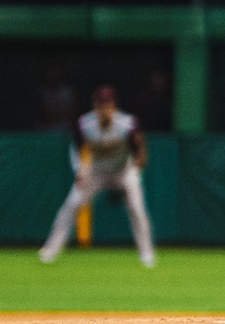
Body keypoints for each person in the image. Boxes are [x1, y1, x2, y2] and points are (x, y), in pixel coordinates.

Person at [39, 86, 156, 267]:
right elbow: (75, 148)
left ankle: (147, 253)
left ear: (114, 105)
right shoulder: (85, 124)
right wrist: (79, 170)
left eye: (108, 104)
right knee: (72, 204)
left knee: (136, 208)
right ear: (94, 105)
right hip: (97, 171)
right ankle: (50, 250)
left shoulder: (127, 124)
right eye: (101, 105)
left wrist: (136, 169)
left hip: (124, 171)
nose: (104, 109)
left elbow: (140, 151)